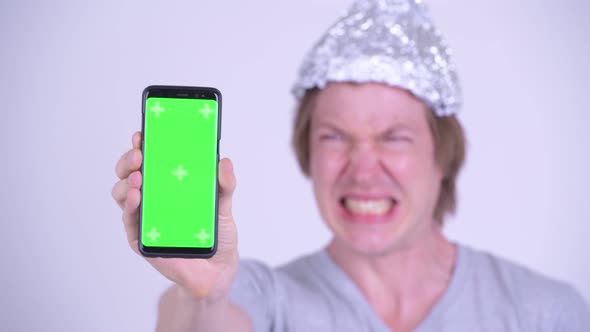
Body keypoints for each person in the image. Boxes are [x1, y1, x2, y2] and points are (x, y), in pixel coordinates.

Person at [111, 0, 590, 331]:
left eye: (393, 137)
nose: (362, 170)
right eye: (335, 137)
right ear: (308, 154)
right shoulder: (265, 296)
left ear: (443, 154)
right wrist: (205, 294)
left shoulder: (545, 313)